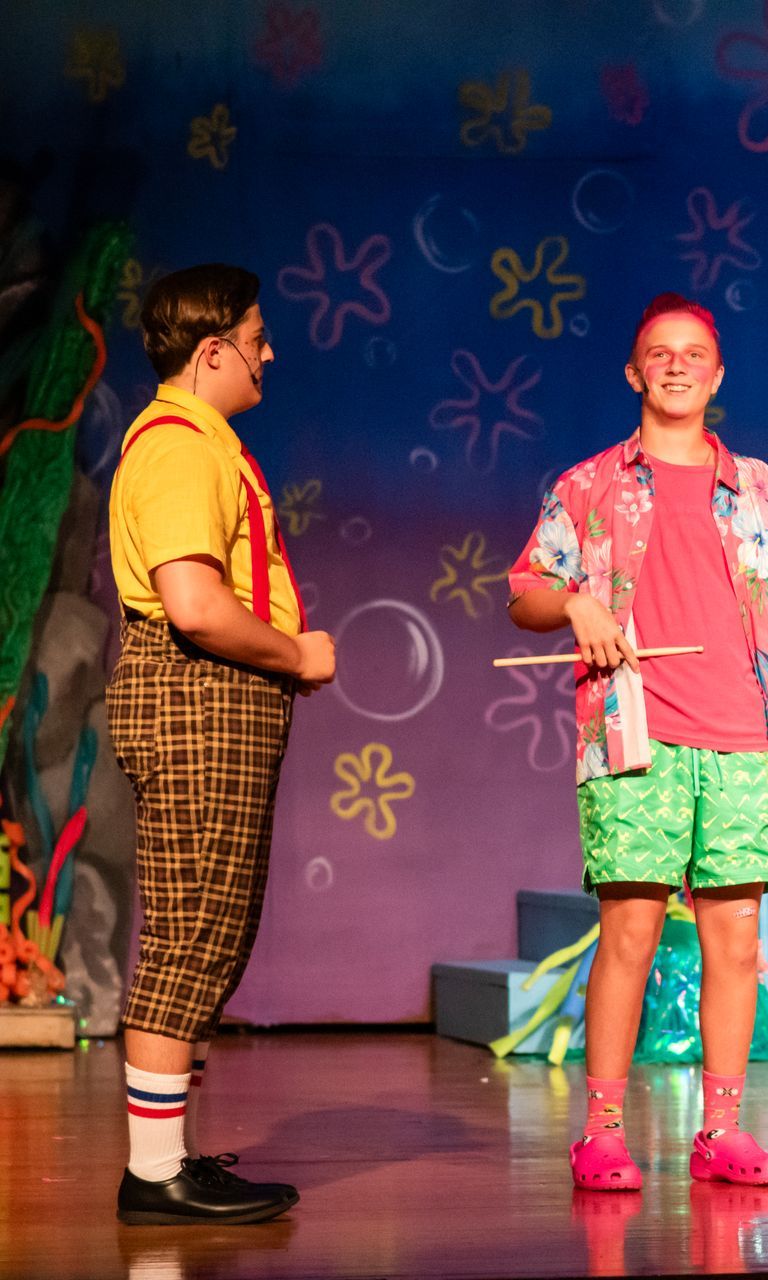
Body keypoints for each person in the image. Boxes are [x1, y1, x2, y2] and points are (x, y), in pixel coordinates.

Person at [507, 292, 768, 1192]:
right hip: (636, 738)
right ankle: (602, 1133)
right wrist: (575, 602)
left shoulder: (761, 489)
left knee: (734, 942)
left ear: (718, 375)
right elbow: (526, 591)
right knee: (631, 934)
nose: (677, 364)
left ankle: (721, 1131)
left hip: (740, 739)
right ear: (634, 371)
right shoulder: (590, 484)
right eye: (660, 352)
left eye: (694, 353)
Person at [107, 263, 335, 1225]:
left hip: (219, 700)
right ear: (213, 352)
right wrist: (296, 652)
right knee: (193, 932)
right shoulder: (178, 449)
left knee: (211, 928)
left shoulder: (202, 445)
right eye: (257, 337)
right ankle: (153, 1175)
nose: (269, 353)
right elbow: (196, 607)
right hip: (197, 694)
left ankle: (172, 1157)